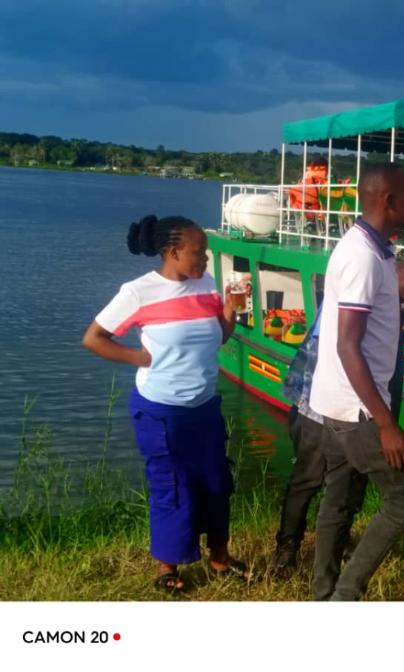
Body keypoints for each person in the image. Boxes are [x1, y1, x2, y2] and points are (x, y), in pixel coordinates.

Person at [82, 214, 250, 593]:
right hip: (161, 410)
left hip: (204, 405)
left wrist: (231, 310)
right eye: (198, 253)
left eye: (206, 253)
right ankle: (167, 567)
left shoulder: (207, 285)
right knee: (172, 485)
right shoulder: (138, 292)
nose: (205, 260)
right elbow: (93, 338)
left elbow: (219, 337)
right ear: (172, 252)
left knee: (216, 482)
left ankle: (220, 558)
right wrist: (139, 358)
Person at [273, 254, 404, 575]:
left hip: (355, 407)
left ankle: (336, 541)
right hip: (316, 398)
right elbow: (341, 339)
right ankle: (287, 547)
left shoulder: (385, 296)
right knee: (308, 475)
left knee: (348, 478)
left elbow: (372, 337)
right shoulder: (363, 281)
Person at [308, 163, 404, 601]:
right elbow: (347, 346)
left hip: (338, 402)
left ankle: (324, 592)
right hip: (356, 408)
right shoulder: (361, 257)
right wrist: (385, 423)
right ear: (389, 201)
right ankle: (345, 595)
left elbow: (365, 325)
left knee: (339, 500)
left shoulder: (378, 251)